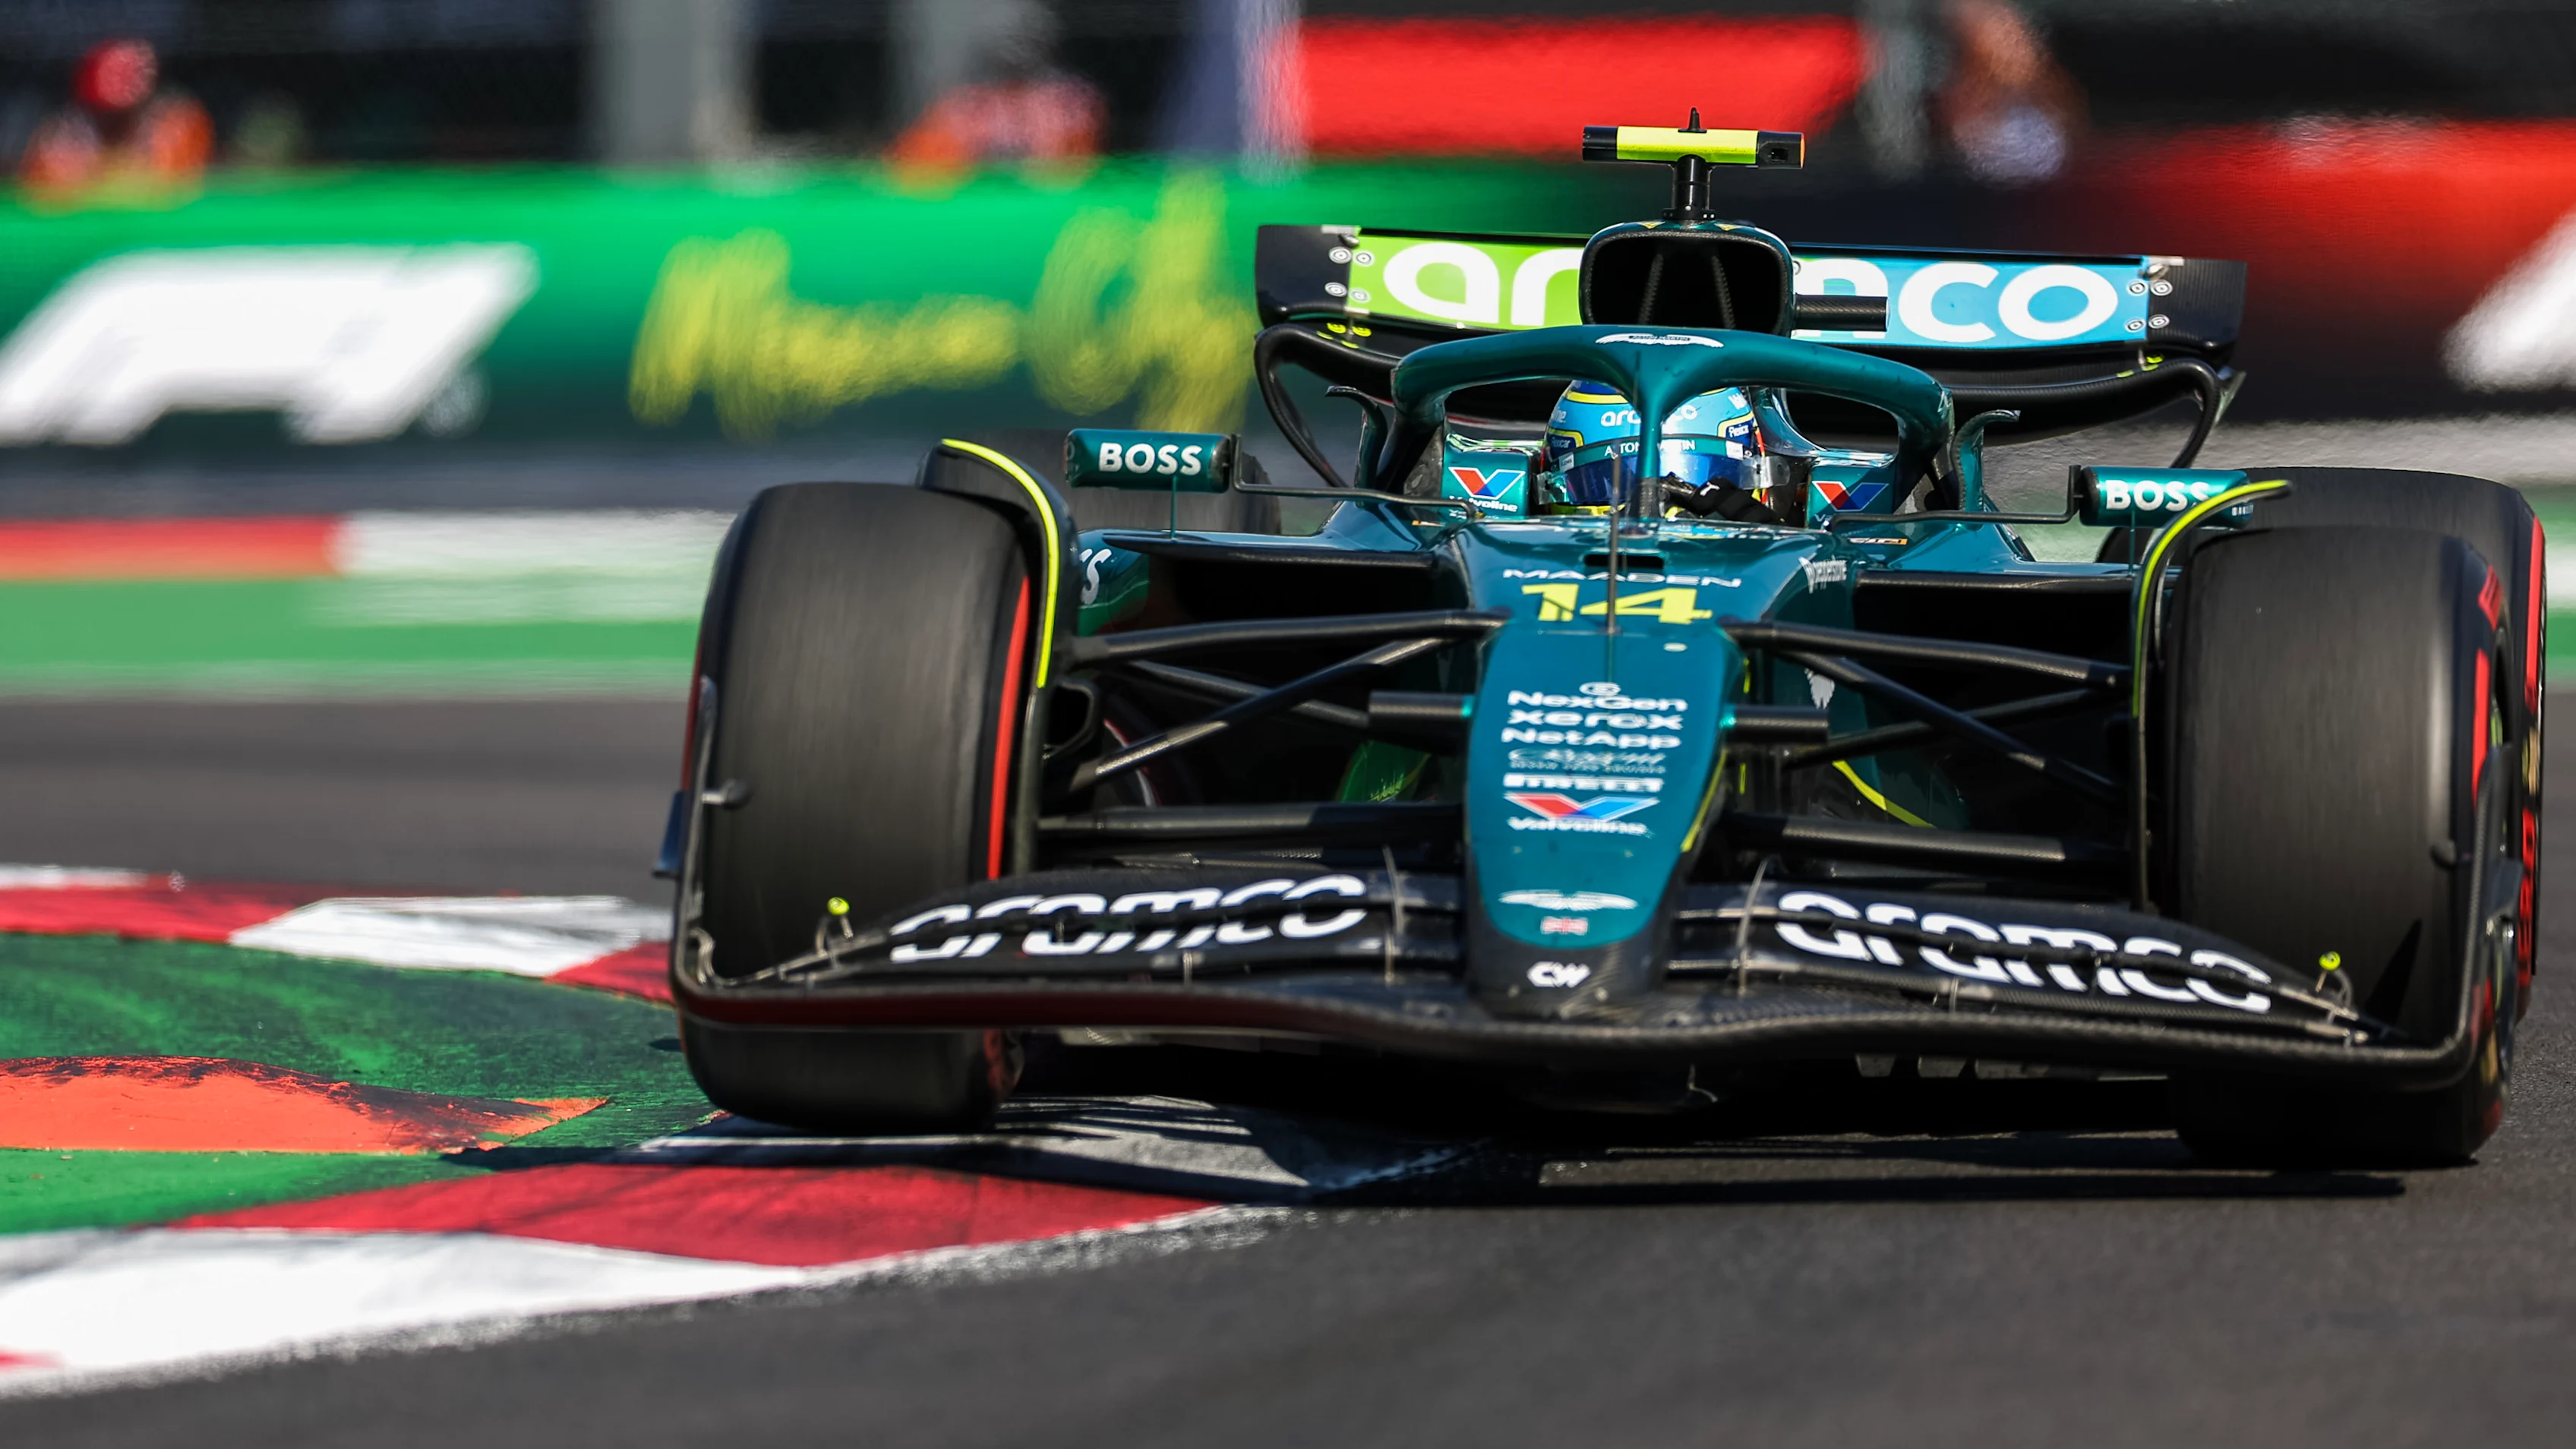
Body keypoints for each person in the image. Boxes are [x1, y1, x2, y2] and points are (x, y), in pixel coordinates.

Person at [888, 2, 1102, 176]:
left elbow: (1081, 170)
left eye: (1027, 38)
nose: (1017, 49)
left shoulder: (1069, 103)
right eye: (1009, 39)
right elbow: (915, 167)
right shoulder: (964, 106)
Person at [17, 38, 214, 194]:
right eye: (105, 112)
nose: (114, 122)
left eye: (124, 113)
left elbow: (176, 191)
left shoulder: (175, 126)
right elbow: (44, 200)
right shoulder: (62, 139)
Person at [1938, 0, 2084, 186]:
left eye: (2012, 35)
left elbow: (2072, 140)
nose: (2009, 45)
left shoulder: (2052, 92)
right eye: (1998, 37)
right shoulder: (1960, 101)